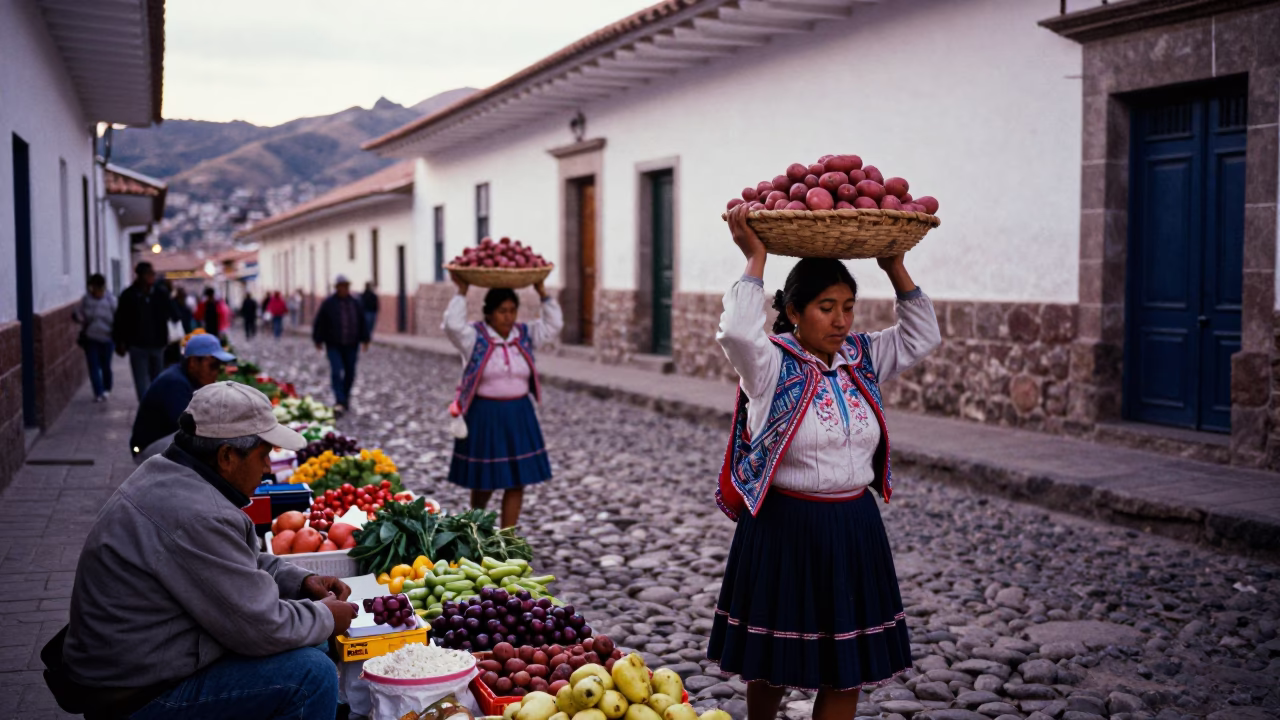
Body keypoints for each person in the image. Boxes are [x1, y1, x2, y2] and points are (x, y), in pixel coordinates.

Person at [707, 204, 941, 720]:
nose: (841, 320)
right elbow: (737, 334)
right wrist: (755, 259)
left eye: (850, 307)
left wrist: (895, 267)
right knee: (773, 657)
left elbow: (923, 338)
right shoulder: (769, 363)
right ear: (793, 311)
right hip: (784, 526)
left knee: (846, 665)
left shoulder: (863, 356)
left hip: (855, 526)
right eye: (826, 306)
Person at [44, 381, 353, 720]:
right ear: (227, 457)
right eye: (263, 456)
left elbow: (236, 558)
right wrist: (326, 616)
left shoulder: (168, 471)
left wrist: (301, 582)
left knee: (312, 639)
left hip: (141, 661)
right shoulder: (198, 513)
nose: (267, 468)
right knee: (312, 675)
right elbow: (262, 628)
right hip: (133, 695)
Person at [444, 275, 562, 529]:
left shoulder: (525, 335)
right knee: (484, 479)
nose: (508, 317)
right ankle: (475, 528)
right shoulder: (474, 338)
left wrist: (543, 294)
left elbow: (554, 325)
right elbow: (452, 326)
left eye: (512, 310)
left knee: (517, 479)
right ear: (489, 313)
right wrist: (461, 292)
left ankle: (507, 538)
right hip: (484, 414)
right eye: (502, 311)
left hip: (519, 413)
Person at [130, 334, 235, 462]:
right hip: (148, 450)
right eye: (213, 366)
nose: (216, 372)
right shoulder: (174, 383)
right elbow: (191, 428)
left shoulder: (187, 378)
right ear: (193, 363)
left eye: (219, 367)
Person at [113, 261, 174, 401]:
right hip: (137, 345)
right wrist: (119, 341)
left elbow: (171, 313)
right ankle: (146, 409)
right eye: (150, 274)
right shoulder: (128, 295)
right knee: (141, 382)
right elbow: (120, 319)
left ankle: (157, 408)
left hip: (157, 344)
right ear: (140, 276)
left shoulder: (160, 293)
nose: (152, 277)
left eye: (153, 274)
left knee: (157, 380)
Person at [312, 275, 369, 415]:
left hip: (351, 344)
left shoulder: (355, 303)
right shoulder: (329, 303)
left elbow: (362, 321)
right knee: (336, 371)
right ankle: (339, 400)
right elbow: (320, 322)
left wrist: (365, 339)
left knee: (350, 373)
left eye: (346, 286)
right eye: (341, 286)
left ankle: (345, 397)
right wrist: (318, 340)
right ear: (337, 288)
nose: (344, 289)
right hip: (333, 344)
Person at [74, 273, 116, 403]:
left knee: (106, 366)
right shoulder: (86, 300)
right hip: (91, 339)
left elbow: (117, 317)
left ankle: (107, 388)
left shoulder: (110, 300)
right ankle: (98, 392)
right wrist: (78, 317)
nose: (95, 291)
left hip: (107, 338)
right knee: (93, 366)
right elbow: (80, 315)